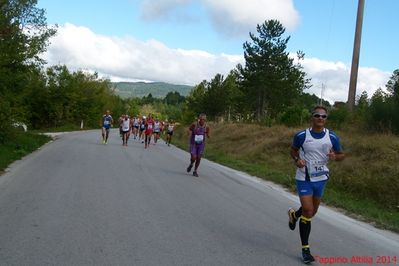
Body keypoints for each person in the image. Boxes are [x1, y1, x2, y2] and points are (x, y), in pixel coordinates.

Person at [288, 106, 345, 264]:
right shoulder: (301, 135)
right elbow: (293, 150)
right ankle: (306, 250)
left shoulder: (332, 136)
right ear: (312, 117)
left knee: (311, 213)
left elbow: (341, 154)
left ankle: (294, 215)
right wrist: (297, 160)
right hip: (304, 177)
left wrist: (335, 156)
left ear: (326, 119)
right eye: (317, 115)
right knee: (308, 210)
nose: (320, 118)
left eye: (323, 116)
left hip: (321, 178)